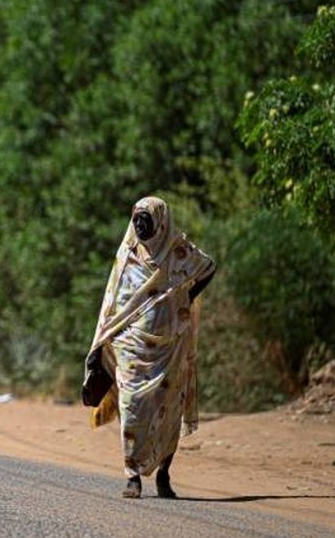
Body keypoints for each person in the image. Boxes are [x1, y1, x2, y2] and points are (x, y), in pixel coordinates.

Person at [86, 196, 216, 499]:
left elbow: (208, 268)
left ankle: (164, 473)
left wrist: (184, 296)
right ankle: (132, 475)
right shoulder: (128, 253)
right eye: (136, 219)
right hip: (129, 345)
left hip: (171, 347)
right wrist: (99, 343)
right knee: (131, 406)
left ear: (161, 221)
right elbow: (112, 303)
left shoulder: (178, 250)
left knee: (168, 409)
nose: (139, 226)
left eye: (146, 220)